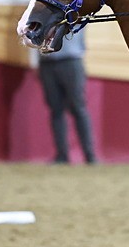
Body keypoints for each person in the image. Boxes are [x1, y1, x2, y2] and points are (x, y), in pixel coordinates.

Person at [38, 30, 97, 165]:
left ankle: (90, 155)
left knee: (78, 108)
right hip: (47, 61)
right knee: (56, 109)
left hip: (71, 59)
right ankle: (62, 155)